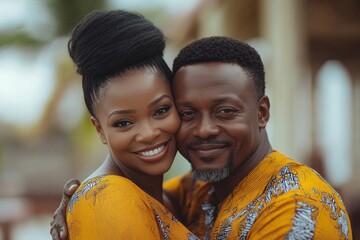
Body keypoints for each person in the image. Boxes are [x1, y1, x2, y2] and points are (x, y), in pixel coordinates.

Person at [51, 36, 353, 239]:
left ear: (261, 112)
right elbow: (148, 202)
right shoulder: (201, 189)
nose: (204, 130)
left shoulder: (297, 207)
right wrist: (87, 199)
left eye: (225, 111)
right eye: (187, 113)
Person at [57, 9, 197, 240]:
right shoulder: (107, 199)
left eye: (161, 111)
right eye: (124, 123)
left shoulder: (171, 198)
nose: (149, 133)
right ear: (99, 129)